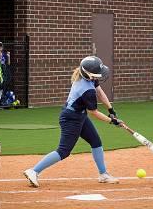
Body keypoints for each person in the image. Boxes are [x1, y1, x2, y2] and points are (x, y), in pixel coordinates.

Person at [24, 56, 123, 187]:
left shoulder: (89, 79)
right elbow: (94, 112)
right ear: (88, 74)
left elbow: (100, 91)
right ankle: (33, 171)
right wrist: (112, 121)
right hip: (71, 118)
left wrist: (111, 109)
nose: (99, 76)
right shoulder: (86, 90)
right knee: (64, 151)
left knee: (96, 142)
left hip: (79, 115)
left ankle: (103, 174)